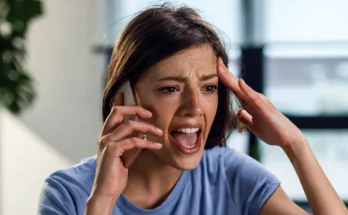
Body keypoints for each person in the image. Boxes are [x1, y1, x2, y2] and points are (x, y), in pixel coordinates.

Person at [37, 4, 348, 215]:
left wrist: (295, 145)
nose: (195, 108)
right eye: (170, 88)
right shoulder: (67, 193)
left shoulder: (229, 174)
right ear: (125, 96)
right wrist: (103, 200)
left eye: (208, 87)